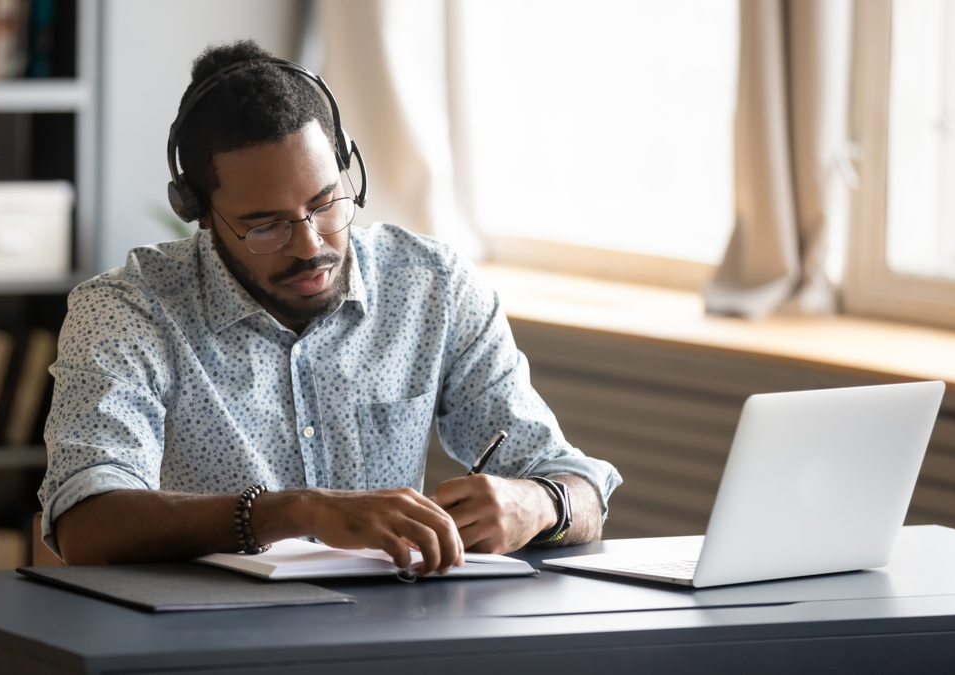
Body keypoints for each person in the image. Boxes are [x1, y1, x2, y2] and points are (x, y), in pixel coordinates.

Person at [38, 40, 621, 575]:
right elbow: (87, 523)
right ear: (198, 211)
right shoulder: (126, 310)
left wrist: (541, 503)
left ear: (349, 171)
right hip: (202, 642)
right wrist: (295, 512)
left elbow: (577, 482)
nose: (310, 245)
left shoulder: (432, 287)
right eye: (264, 226)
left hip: (393, 639)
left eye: (325, 203)